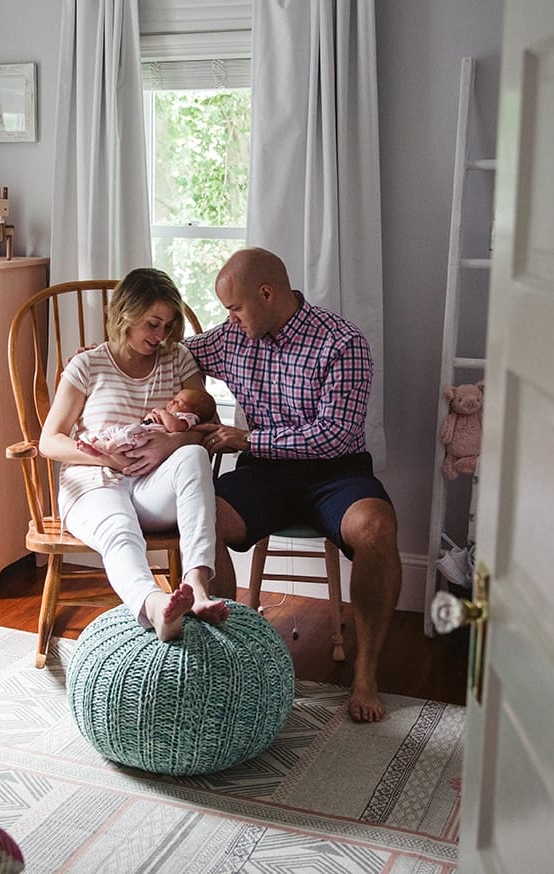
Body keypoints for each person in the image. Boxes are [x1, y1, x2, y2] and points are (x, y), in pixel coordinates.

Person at [182, 247, 402, 723]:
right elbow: (171, 351)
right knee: (201, 515)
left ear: (267, 294)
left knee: (377, 529)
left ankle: (366, 674)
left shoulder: (341, 341)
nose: (230, 319)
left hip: (335, 471)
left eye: (235, 308)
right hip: (265, 474)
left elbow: (335, 434)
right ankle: (229, 659)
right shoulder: (232, 339)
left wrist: (248, 438)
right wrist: (100, 356)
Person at [37, 268, 229, 641]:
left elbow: (206, 426)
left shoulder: (178, 361)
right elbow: (49, 441)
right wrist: (108, 459)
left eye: (168, 326)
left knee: (193, 458)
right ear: (125, 314)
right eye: (151, 324)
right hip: (94, 482)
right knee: (119, 528)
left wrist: (170, 444)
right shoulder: (88, 364)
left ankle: (199, 586)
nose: (159, 337)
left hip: (151, 488)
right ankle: (155, 606)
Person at [77, 386, 217, 456]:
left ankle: (108, 447)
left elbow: (173, 427)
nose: (172, 402)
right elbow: (148, 423)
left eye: (180, 402)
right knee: (114, 430)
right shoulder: (173, 414)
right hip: (141, 432)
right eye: (174, 398)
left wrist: (162, 412)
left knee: (131, 432)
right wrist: (150, 418)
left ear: (195, 412)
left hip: (147, 439)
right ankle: (99, 446)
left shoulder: (188, 418)